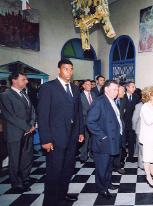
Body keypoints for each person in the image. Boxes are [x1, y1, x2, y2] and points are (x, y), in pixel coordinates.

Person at [37, 59, 84, 206]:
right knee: (54, 172)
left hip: (72, 137)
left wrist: (81, 131)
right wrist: (45, 139)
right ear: (59, 70)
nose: (69, 72)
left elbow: (78, 113)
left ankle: (62, 196)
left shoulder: (75, 89)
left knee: (68, 169)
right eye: (65, 69)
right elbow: (43, 115)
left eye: (71, 69)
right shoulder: (48, 88)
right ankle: (50, 202)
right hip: (55, 138)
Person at [0, 71, 36, 193]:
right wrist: (27, 127)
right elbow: (10, 115)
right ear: (14, 81)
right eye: (23, 79)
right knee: (15, 159)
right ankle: (16, 183)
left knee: (27, 157)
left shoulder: (24, 94)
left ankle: (25, 178)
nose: (26, 81)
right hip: (14, 133)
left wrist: (31, 124)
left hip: (28, 131)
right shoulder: (5, 95)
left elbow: (32, 111)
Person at [87, 80, 122, 199]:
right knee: (102, 167)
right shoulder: (99, 101)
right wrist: (102, 135)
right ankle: (102, 189)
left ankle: (107, 184)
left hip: (112, 141)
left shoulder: (111, 101)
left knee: (108, 166)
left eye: (117, 89)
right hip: (103, 142)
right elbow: (90, 121)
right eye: (114, 89)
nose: (116, 92)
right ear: (106, 89)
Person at [79, 79, 96, 163]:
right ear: (83, 86)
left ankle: (91, 154)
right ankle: (83, 156)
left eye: (90, 84)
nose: (89, 86)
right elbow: (79, 109)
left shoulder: (94, 94)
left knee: (92, 139)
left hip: (94, 121)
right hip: (84, 120)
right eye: (87, 84)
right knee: (85, 139)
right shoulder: (80, 96)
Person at [123, 81, 139, 162]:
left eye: (134, 87)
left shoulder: (136, 96)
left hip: (133, 123)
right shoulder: (122, 96)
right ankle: (121, 158)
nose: (134, 88)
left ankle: (131, 156)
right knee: (122, 141)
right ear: (127, 87)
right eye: (132, 86)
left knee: (131, 140)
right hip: (124, 123)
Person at [113, 84, 126, 175]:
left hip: (121, 129)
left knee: (120, 147)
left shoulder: (123, 101)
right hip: (112, 130)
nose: (124, 92)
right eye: (123, 91)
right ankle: (112, 166)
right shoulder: (110, 101)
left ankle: (117, 166)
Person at [132, 98, 144, 169]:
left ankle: (143, 164)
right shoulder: (138, 106)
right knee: (141, 148)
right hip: (140, 130)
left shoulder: (152, 105)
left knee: (144, 149)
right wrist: (134, 128)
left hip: (148, 131)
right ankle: (141, 164)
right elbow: (134, 118)